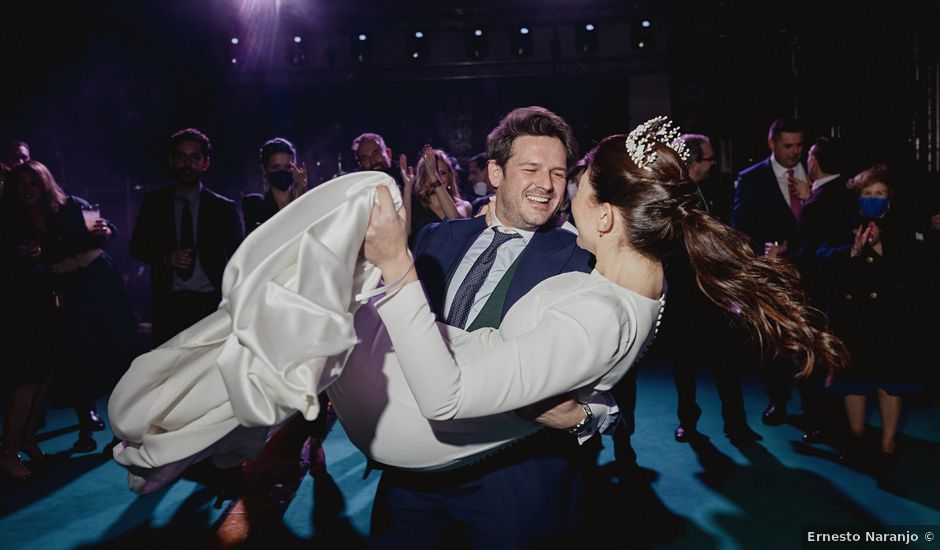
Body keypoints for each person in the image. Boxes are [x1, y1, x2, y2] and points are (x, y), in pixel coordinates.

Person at [362, 116, 847, 547]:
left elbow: (605, 363)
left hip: (516, 484)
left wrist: (587, 415)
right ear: (495, 173)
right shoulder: (435, 237)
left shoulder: (585, 260)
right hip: (416, 476)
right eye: (531, 169)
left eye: (561, 174)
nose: (551, 187)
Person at [816, 165, 926, 476]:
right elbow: (821, 258)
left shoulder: (904, 228)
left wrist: (879, 248)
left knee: (891, 385)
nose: (874, 199)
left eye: (880, 195)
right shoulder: (843, 224)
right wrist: (851, 252)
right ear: (858, 197)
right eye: (868, 194)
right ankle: (856, 439)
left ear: (890, 200)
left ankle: (888, 445)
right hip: (853, 320)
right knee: (854, 383)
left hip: (892, 321)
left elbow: (917, 270)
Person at [667, 133, 757, 444]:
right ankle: (687, 422)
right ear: (692, 162)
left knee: (726, 362)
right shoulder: (672, 196)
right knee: (685, 365)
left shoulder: (716, 190)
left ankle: (736, 423)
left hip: (717, 291)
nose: (714, 163)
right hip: (684, 292)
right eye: (708, 158)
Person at [129, 128, 243, 347]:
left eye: (194, 158)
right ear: (171, 161)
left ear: (205, 163)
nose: (187, 164)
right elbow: (136, 246)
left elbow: (238, 255)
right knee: (168, 373)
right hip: (169, 305)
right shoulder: (155, 202)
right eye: (181, 157)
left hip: (212, 306)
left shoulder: (223, 208)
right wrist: (166, 258)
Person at [732, 118, 812, 426]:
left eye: (799, 145)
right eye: (788, 146)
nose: (795, 152)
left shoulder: (814, 176)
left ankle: (812, 407)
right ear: (772, 144)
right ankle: (777, 401)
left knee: (810, 340)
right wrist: (760, 258)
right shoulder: (751, 179)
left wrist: (810, 200)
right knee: (775, 343)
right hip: (771, 275)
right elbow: (741, 229)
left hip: (809, 272)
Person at [400, 144, 471, 240]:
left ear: (450, 176)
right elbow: (403, 233)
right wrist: (407, 188)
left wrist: (434, 177)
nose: (437, 177)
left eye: (442, 173)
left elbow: (455, 221)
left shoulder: (463, 205)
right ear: (423, 178)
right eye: (430, 173)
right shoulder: (414, 206)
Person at [241, 137, 307, 235]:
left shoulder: (306, 201)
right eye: (276, 167)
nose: (282, 171)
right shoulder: (255, 204)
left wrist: (300, 194)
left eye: (288, 167)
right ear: (264, 169)